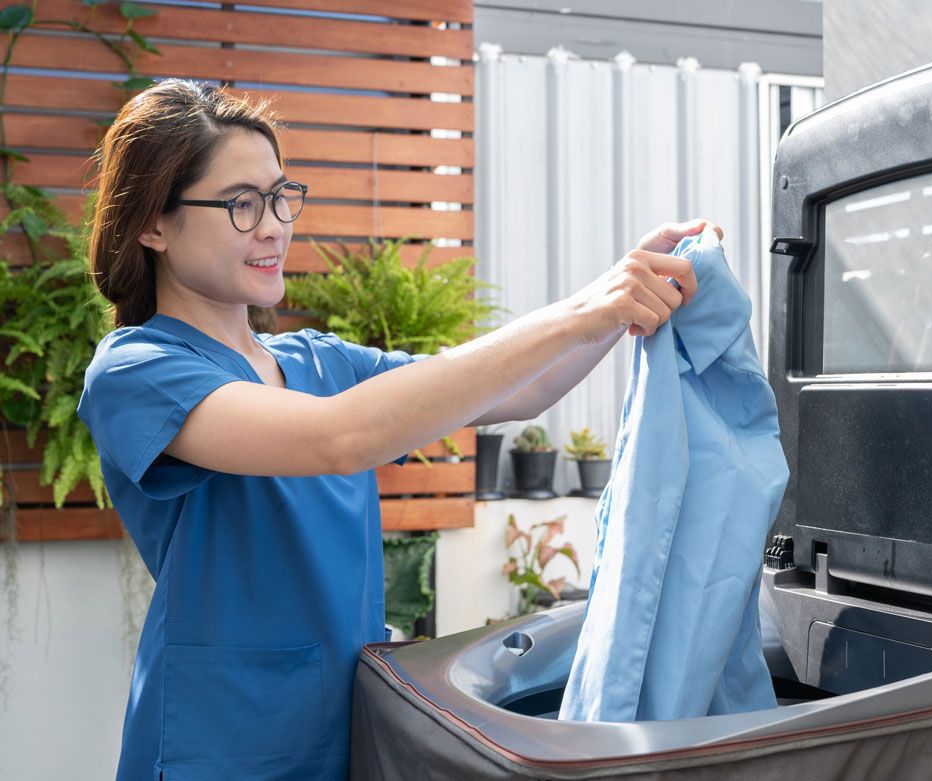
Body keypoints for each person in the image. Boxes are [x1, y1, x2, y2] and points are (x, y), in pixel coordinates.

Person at [76, 78, 712, 780]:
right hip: (220, 746)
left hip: (344, 735)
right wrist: (581, 312)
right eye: (241, 204)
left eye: (281, 196)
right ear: (153, 225)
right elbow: (336, 439)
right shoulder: (137, 369)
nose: (274, 226)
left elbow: (522, 389)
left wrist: (624, 293)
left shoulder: (317, 359)